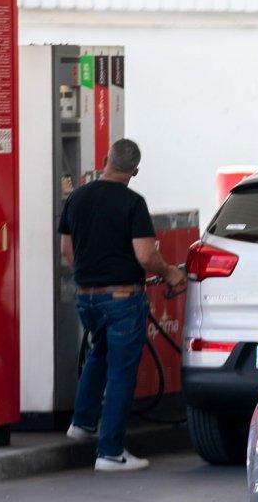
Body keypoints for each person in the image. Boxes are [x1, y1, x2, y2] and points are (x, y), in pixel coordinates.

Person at [59, 139, 185, 472]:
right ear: (135, 171)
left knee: (98, 353)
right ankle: (110, 452)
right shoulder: (132, 202)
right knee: (121, 372)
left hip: (86, 295)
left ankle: (83, 422)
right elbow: (145, 255)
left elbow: (67, 250)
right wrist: (171, 272)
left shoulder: (77, 197)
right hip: (122, 297)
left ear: (105, 160)